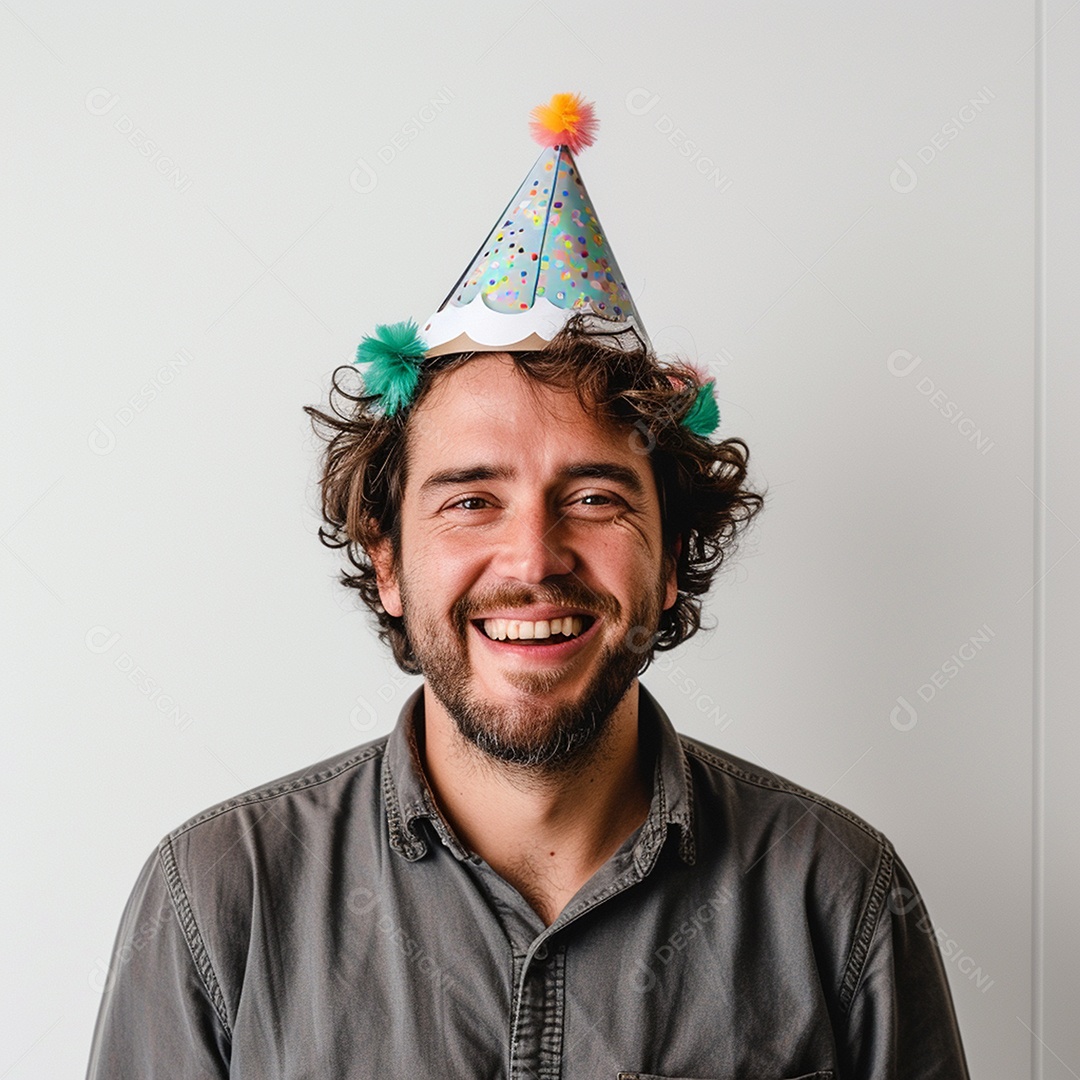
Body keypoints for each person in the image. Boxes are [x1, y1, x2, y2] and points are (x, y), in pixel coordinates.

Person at [87, 94, 970, 1079]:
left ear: (673, 554)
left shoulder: (841, 901)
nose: (533, 559)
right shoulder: (215, 902)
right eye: (471, 501)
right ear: (386, 559)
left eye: (594, 497)